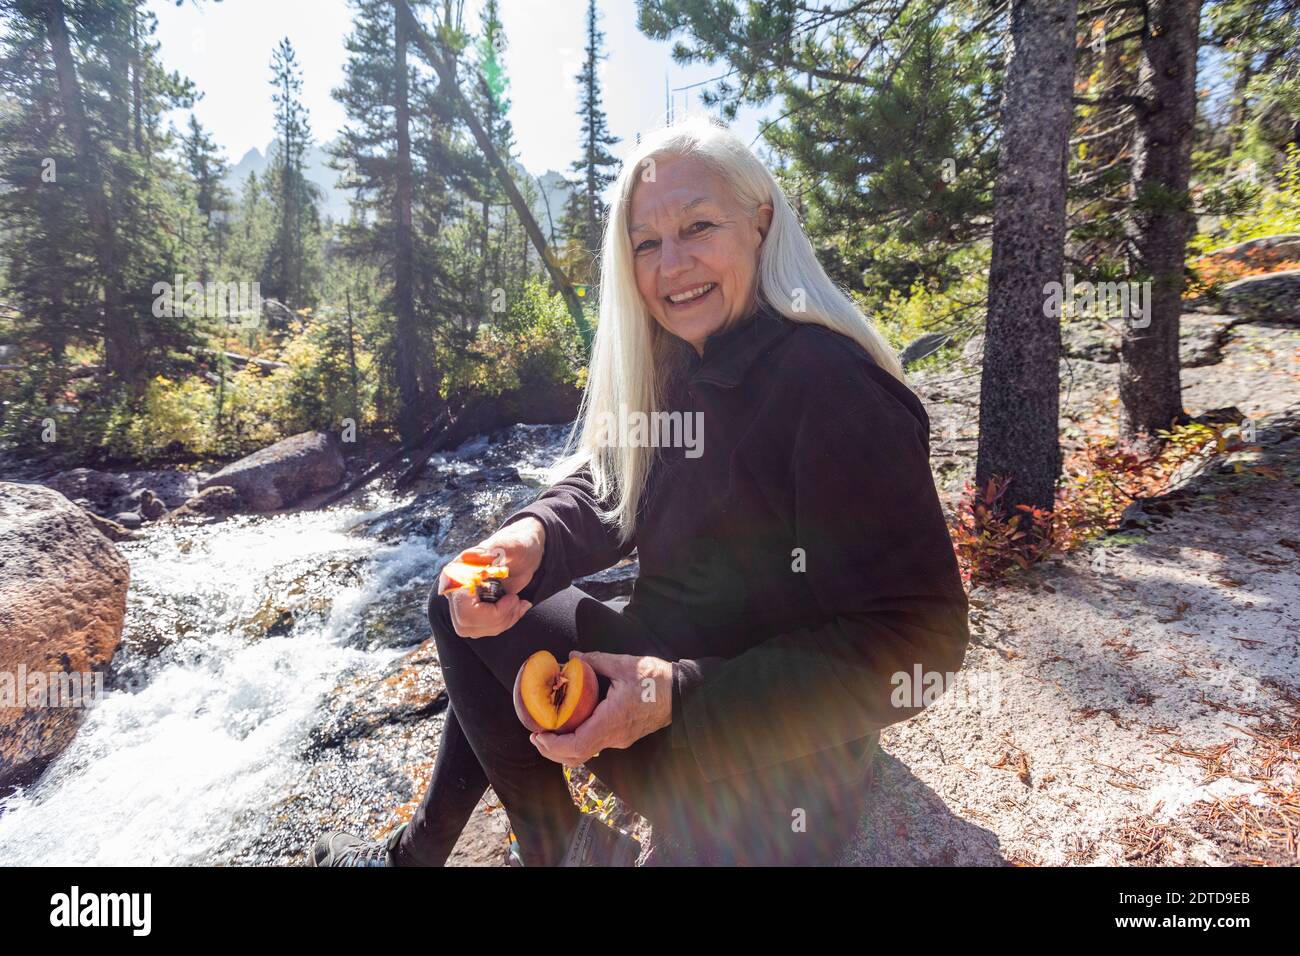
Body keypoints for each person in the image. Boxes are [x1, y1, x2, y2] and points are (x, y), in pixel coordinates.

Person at [312, 116, 969, 867]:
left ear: (761, 224)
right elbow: (613, 483)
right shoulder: (681, 360)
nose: (672, 265)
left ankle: (488, 853)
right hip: (661, 682)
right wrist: (531, 537)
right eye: (646, 244)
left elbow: (925, 642)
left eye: (698, 227)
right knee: (472, 601)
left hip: (763, 749)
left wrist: (675, 693)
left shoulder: (830, 386)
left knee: (475, 619)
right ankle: (462, 851)